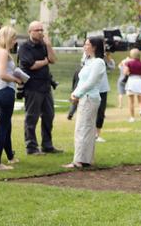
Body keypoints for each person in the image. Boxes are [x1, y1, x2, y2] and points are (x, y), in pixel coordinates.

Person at [18, 21, 62, 155]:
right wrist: (46, 61)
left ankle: (47, 145)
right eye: (38, 30)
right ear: (30, 32)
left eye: (42, 30)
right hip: (32, 87)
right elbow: (31, 65)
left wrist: (48, 46)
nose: (41, 32)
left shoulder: (44, 45)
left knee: (49, 116)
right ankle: (31, 147)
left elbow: (53, 60)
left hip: (46, 86)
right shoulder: (25, 47)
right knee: (32, 117)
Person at [63, 38, 107, 169]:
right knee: (85, 128)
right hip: (84, 97)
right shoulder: (88, 62)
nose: (84, 46)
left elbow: (91, 82)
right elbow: (82, 81)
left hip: (89, 98)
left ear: (94, 47)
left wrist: (77, 94)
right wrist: (75, 93)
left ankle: (79, 160)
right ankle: (85, 159)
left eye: (87, 44)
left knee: (83, 129)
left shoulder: (98, 62)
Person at [0, 26, 25, 170]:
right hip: (5, 92)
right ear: (7, 38)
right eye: (13, 38)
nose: (15, 41)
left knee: (6, 126)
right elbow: (3, 74)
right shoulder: (4, 53)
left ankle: (10, 156)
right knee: (3, 128)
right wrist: (17, 79)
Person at [95, 42, 115, 143]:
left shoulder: (104, 57)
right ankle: (89, 134)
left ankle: (97, 134)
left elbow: (112, 67)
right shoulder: (89, 56)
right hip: (92, 88)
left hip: (103, 87)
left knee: (101, 112)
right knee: (91, 111)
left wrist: (107, 57)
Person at [123, 48, 141, 122]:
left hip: (132, 80)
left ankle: (132, 117)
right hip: (140, 80)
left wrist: (125, 68)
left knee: (131, 101)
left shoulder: (128, 63)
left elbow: (125, 72)